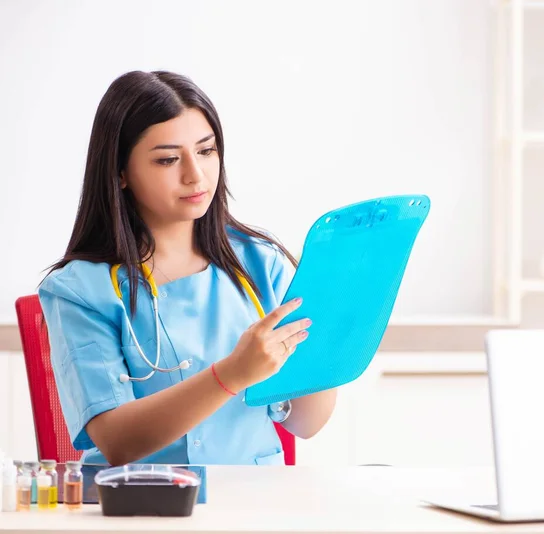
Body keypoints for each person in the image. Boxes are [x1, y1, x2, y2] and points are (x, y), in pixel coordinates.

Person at [38, 70, 337, 467]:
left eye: (206, 151)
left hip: (256, 503)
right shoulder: (80, 291)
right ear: (120, 172)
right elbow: (117, 440)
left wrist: (336, 335)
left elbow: (306, 422)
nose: (195, 175)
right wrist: (232, 374)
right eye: (167, 159)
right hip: (144, 508)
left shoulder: (260, 263)